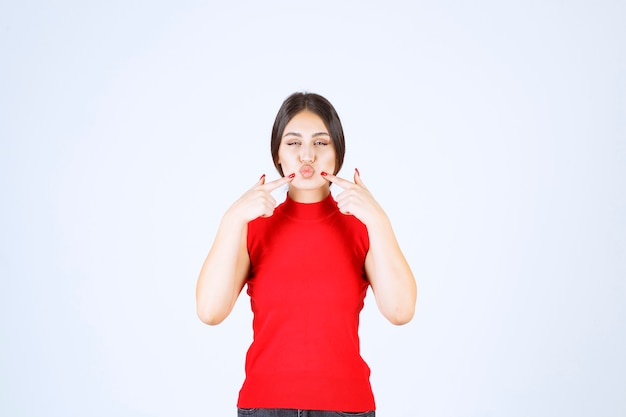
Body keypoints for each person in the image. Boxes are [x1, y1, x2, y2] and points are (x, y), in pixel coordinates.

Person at [196, 92, 417, 417]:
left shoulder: (362, 227)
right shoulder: (252, 227)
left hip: (346, 408)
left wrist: (379, 219)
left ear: (338, 152)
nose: (307, 156)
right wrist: (231, 219)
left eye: (321, 143)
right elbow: (210, 312)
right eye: (294, 143)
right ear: (278, 154)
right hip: (265, 407)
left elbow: (401, 311)